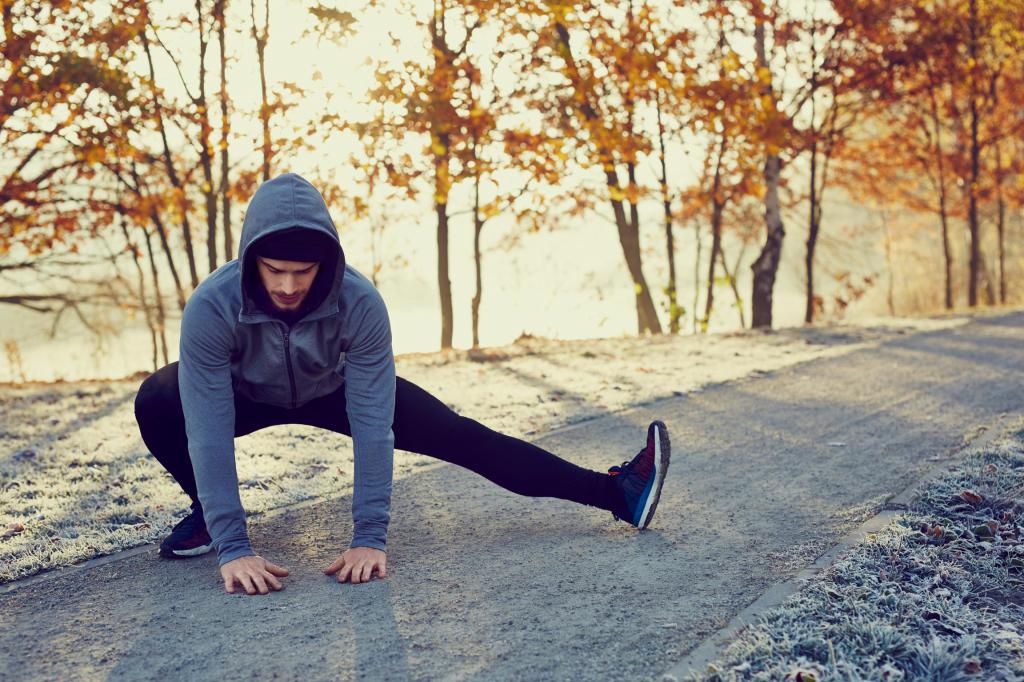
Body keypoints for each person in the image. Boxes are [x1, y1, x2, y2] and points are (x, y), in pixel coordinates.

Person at [133, 173, 671, 597]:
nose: (289, 285)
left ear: (327, 261)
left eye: (305, 271)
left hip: (332, 389)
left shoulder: (359, 301)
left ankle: (617, 494)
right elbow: (206, 428)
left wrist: (369, 537)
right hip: (243, 392)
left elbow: (372, 426)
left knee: (464, 436)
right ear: (252, 258)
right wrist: (235, 547)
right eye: (276, 270)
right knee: (159, 398)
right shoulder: (212, 305)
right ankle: (209, 517)